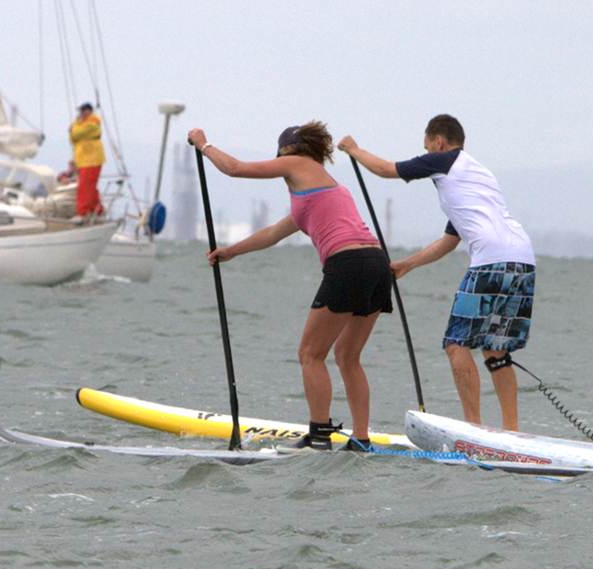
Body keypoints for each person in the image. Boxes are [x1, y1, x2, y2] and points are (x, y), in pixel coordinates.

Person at [190, 122, 392, 450]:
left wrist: (204, 144)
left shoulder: (298, 163)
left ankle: (319, 436)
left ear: (287, 152)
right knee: (347, 356)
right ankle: (361, 439)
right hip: (377, 263)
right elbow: (273, 233)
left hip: (348, 264)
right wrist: (231, 251)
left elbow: (235, 169)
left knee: (310, 354)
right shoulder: (320, 188)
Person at [341, 115, 535, 430]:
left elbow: (386, 169)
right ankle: (512, 432)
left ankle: (473, 429)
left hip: (491, 260)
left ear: (439, 142)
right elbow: (449, 241)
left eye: (427, 147)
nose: (427, 153)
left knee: (456, 343)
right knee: (496, 350)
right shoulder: (476, 175)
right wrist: (408, 264)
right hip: (523, 260)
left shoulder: (445, 160)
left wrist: (354, 149)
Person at [69, 102, 105, 219]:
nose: (80, 114)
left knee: (84, 187)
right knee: (90, 187)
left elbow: (76, 133)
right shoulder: (82, 124)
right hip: (84, 161)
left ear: (88, 111)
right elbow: (73, 138)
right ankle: (98, 210)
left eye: (82, 111)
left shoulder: (93, 123)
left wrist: (74, 126)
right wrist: (75, 128)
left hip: (91, 160)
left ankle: (82, 213)